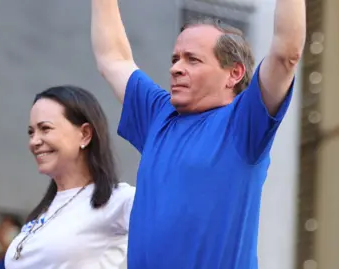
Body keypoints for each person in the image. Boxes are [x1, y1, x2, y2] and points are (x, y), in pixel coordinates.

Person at [91, 0, 306, 268]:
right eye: (175, 59)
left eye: (192, 59)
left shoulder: (244, 124)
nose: (176, 68)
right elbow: (113, 58)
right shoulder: (159, 115)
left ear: (234, 73)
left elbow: (287, 52)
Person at [0, 86, 135, 269]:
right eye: (31, 132)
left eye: (45, 129)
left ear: (84, 134)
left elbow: (167, 241)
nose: (34, 141)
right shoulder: (45, 211)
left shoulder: (119, 199)